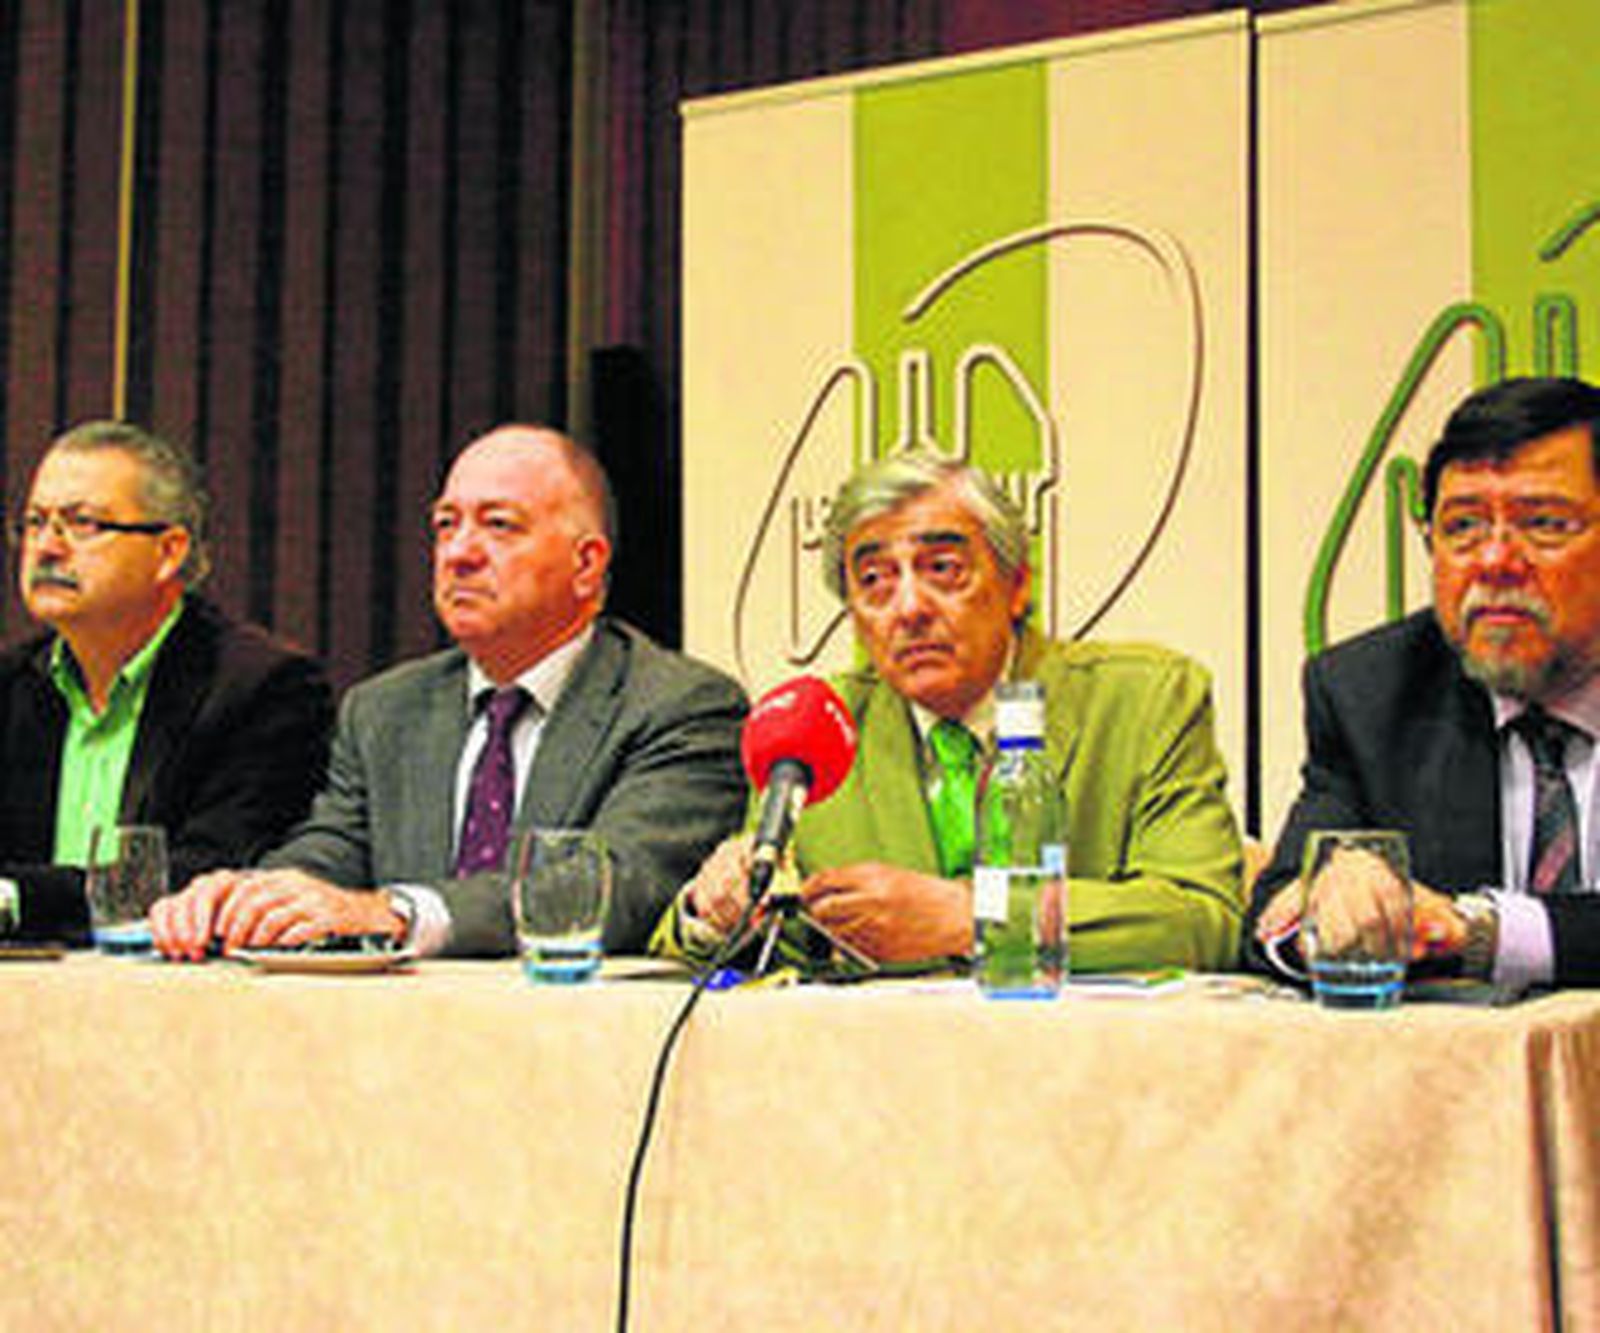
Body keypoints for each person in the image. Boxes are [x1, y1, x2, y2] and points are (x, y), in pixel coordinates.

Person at [150, 424, 748, 960]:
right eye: (445, 525)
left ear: (586, 565)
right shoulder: (385, 710)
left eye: (498, 525)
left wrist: (397, 915)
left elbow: (620, 886)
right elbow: (332, 851)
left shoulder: (679, 706)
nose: (458, 553)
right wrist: (250, 895)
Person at [650, 448, 1244, 971]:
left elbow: (1205, 920)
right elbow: (782, 942)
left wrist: (976, 917)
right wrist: (713, 912)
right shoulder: (818, 729)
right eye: (875, 580)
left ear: (1016, 586)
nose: (909, 607)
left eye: (942, 569)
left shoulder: (1143, 701)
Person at [1250, 375, 1600, 990]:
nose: (1494, 561)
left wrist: (1479, 932)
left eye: (1543, 522)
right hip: (1472, 1083)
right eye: (1462, 527)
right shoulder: (1371, 693)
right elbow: (1271, 926)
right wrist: (1328, 904)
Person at [0, 420, 333, 942]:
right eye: (35, 523)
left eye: (81, 524)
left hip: (182, 1002)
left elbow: (197, 880)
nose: (46, 547)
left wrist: (11, 896)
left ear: (169, 551)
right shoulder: (11, 685)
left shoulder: (264, 689)